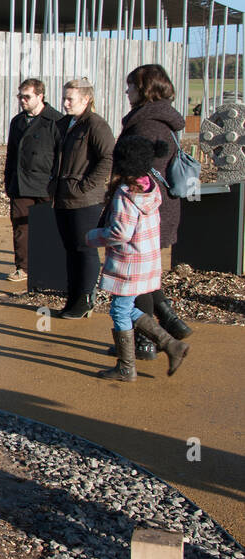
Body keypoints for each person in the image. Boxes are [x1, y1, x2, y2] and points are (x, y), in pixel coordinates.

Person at [86, 135, 189, 380]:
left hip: (129, 263)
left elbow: (120, 233)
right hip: (147, 261)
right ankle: (171, 344)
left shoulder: (126, 193)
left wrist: (93, 236)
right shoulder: (150, 185)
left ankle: (127, 368)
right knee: (123, 307)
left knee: (120, 311)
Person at [118, 64, 194, 353]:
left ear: (145, 88)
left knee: (136, 278)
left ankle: (146, 341)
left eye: (132, 86)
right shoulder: (164, 119)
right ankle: (170, 321)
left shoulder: (146, 123)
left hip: (144, 209)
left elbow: (135, 169)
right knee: (147, 273)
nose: (128, 91)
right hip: (162, 207)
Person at [49, 79, 114, 319]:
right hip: (62, 197)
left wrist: (85, 186)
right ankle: (73, 296)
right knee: (70, 250)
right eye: (64, 98)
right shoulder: (65, 124)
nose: (65, 103)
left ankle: (86, 297)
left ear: (86, 100)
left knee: (84, 249)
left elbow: (108, 158)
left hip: (85, 200)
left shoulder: (95, 125)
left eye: (70, 99)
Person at [4, 79, 62, 281]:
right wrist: (8, 181)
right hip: (21, 183)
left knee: (48, 227)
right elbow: (11, 155)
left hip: (46, 184)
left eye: (27, 96)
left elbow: (61, 156)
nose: (22, 100)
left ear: (40, 96)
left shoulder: (56, 121)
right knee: (21, 227)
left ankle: (48, 268)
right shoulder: (18, 121)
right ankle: (23, 267)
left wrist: (58, 185)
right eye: (20, 96)